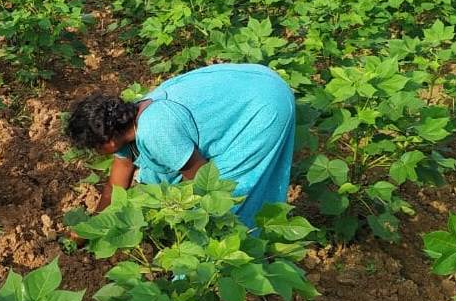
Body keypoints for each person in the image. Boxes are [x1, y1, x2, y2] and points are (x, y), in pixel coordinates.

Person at [66, 63, 296, 227]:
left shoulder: (156, 130)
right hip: (252, 78)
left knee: (228, 192)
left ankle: (243, 242)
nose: (96, 153)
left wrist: (179, 215)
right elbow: (115, 186)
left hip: (264, 104)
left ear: (109, 140)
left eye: (95, 147)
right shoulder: (126, 119)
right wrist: (91, 227)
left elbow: (201, 178)